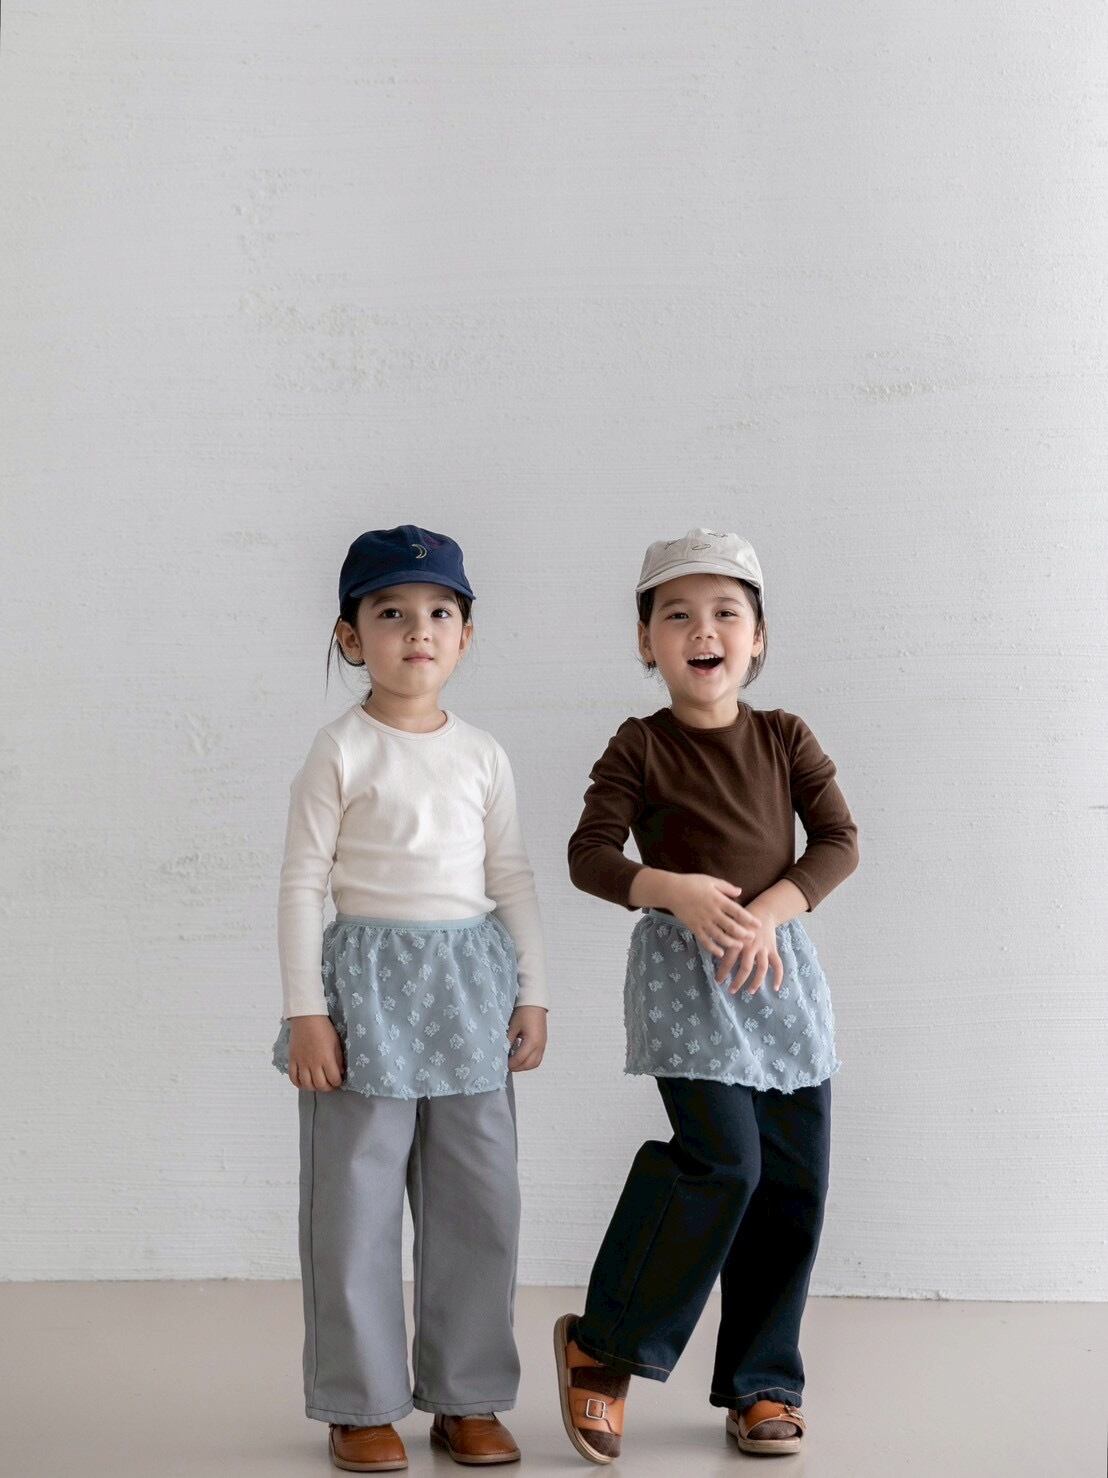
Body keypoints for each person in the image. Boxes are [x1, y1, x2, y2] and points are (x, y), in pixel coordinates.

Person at [554, 528, 858, 1463]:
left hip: (779, 977)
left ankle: (763, 1383)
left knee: (793, 1181)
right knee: (723, 1162)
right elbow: (589, 855)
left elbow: (839, 842)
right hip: (689, 985)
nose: (703, 630)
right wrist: (671, 890)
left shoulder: (785, 736)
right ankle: (603, 1346)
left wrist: (769, 912)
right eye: (676, 614)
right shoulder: (640, 745)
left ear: (757, 637)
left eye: (726, 612)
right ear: (646, 641)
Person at [271, 524, 549, 1472]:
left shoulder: (484, 755)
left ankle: (468, 1395)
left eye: (438, 612)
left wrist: (533, 993)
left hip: (470, 993)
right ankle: (359, 1402)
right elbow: (302, 884)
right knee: (352, 1203)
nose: (417, 630)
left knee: (480, 1197)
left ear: (465, 635)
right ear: (351, 638)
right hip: (364, 1000)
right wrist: (306, 1012)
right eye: (390, 613)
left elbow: (510, 878)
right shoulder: (340, 751)